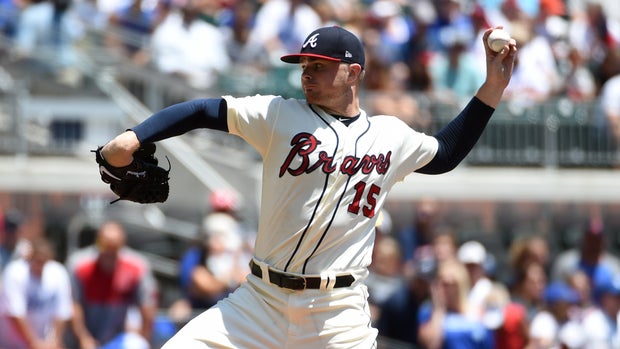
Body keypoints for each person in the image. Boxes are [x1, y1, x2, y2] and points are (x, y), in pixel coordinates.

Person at [97, 24, 516, 348]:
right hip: (260, 301)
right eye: (304, 67)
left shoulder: (391, 136)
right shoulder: (279, 115)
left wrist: (492, 89)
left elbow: (444, 153)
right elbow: (206, 109)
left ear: (354, 72)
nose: (307, 75)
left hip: (337, 314)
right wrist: (133, 139)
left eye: (319, 66)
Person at [66, 220, 159, 349]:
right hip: (82, 338)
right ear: (98, 242)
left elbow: (147, 305)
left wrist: (144, 337)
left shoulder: (137, 267)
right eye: (105, 246)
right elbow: (73, 305)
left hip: (118, 338)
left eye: (113, 247)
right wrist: (83, 338)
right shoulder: (79, 265)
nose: (108, 252)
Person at [0, 237, 73, 349]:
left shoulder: (58, 272)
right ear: (29, 257)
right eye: (37, 260)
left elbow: (62, 312)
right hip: (13, 344)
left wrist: (54, 341)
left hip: (44, 342)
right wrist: (34, 343)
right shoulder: (15, 273)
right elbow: (15, 313)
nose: (39, 265)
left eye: (43, 261)